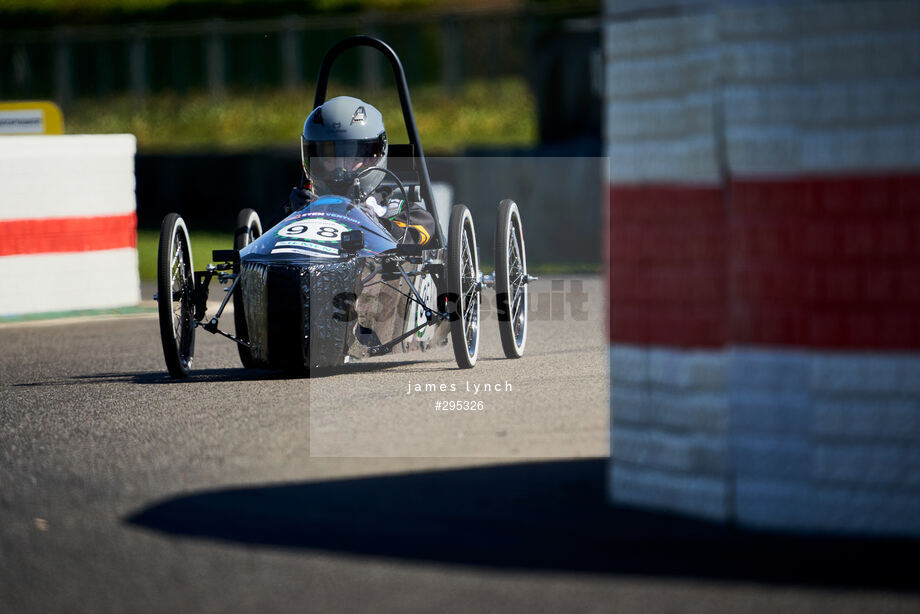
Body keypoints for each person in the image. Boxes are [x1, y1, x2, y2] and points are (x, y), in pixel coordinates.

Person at [285, 96, 435, 246]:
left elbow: (418, 235)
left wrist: (373, 224)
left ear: (375, 156)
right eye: (329, 158)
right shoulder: (300, 207)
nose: (340, 168)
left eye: (353, 158)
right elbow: (263, 248)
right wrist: (296, 215)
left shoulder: (394, 210)